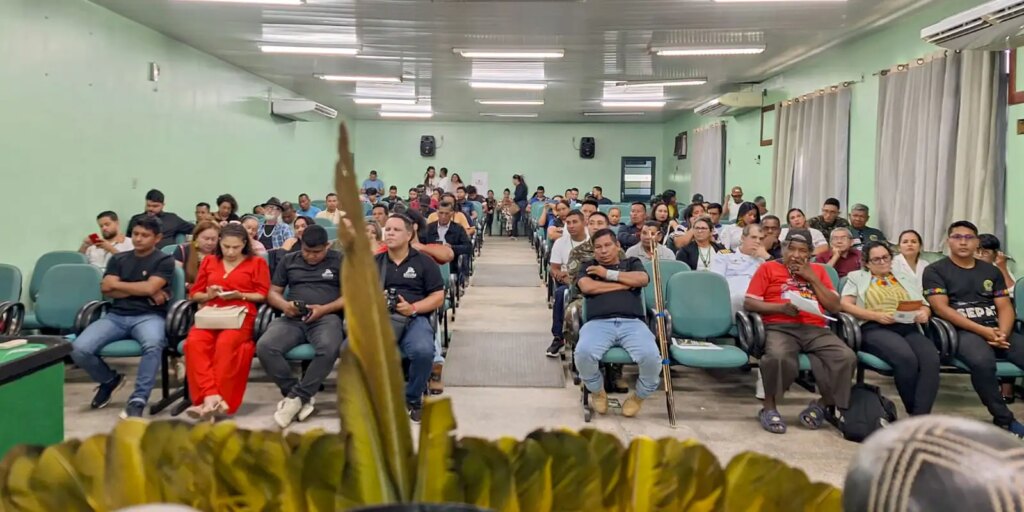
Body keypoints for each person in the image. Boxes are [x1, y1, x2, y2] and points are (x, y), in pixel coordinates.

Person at [744, 229, 856, 435]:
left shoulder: (820, 271)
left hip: (816, 328)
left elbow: (834, 306)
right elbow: (750, 302)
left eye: (802, 250)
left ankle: (822, 405)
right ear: (784, 248)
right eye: (791, 249)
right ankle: (769, 407)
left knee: (846, 357)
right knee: (777, 356)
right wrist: (780, 308)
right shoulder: (768, 268)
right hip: (780, 326)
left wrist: (812, 278)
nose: (795, 255)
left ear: (810, 253)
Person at [923, 221, 1024, 437]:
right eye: (957, 237)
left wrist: (1003, 332)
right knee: (983, 362)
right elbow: (942, 309)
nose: (963, 242)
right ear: (948, 241)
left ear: (977, 242)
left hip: (996, 330)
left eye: (969, 237)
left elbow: (1005, 306)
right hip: (961, 332)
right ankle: (1004, 418)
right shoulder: (935, 270)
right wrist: (984, 332)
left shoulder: (991, 271)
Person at [70, 216, 175, 418]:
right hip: (116, 316)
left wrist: (130, 286)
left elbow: (150, 287)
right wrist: (143, 289)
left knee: (154, 344)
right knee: (78, 348)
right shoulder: (118, 259)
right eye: (135, 234)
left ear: (157, 238)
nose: (138, 239)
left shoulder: (164, 260)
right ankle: (109, 380)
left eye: (145, 235)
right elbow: (107, 289)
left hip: (150, 316)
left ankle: (138, 399)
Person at [257, 225, 345, 428]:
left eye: (317, 252)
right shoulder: (289, 260)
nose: (311, 256)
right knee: (265, 346)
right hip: (293, 317)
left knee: (329, 348)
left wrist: (324, 309)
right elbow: (273, 292)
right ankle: (298, 396)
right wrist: (284, 306)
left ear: (328, 246)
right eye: (306, 251)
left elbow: (351, 296)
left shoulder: (340, 260)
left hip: (326, 317)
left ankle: (297, 398)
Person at [182, 224, 270, 420]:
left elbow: (262, 295)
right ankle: (212, 397)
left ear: (244, 245)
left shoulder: (257, 263)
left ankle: (208, 401)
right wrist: (208, 295)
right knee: (194, 343)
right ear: (219, 243)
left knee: (225, 344)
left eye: (235, 247)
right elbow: (195, 293)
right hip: (211, 312)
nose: (230, 252)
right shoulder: (209, 262)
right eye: (226, 246)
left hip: (241, 314)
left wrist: (241, 295)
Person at [840, 241, 938, 416]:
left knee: (930, 359)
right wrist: (875, 315)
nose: (882, 262)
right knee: (906, 358)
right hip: (874, 327)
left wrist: (924, 313)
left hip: (907, 325)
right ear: (867, 263)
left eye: (886, 257)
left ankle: (920, 416)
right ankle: (915, 413)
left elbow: (924, 305)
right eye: (876, 259)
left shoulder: (903, 277)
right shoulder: (856, 277)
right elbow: (845, 305)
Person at [573, 229, 661, 418]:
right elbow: (588, 286)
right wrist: (623, 285)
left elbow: (642, 279)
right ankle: (598, 391)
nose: (603, 251)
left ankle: (638, 397)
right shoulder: (588, 265)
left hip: (632, 323)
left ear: (617, 245)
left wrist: (607, 274)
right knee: (583, 354)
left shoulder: (631, 263)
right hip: (598, 323)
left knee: (652, 357)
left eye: (607, 245)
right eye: (598, 247)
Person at [378, 214, 446, 422]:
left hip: (414, 319)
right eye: (387, 229)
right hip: (380, 320)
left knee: (424, 351)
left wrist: (413, 307)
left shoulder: (424, 263)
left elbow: (438, 296)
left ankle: (413, 398)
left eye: (396, 230)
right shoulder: (374, 263)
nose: (389, 233)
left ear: (409, 235)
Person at [547, 210, 589, 357]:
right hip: (568, 284)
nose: (571, 226)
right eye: (568, 223)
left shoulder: (593, 241)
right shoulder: (560, 242)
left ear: (584, 223)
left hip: (591, 281)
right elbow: (554, 269)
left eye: (575, 222)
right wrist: (563, 277)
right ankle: (558, 337)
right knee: (560, 293)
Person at [711, 223, 768, 315]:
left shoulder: (763, 261)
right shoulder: (725, 256)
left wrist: (767, 256)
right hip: (730, 302)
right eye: (753, 237)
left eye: (761, 239)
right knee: (742, 296)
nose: (758, 241)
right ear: (742, 238)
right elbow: (716, 282)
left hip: (756, 302)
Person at [126, 189, 195, 249]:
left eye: (155, 206)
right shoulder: (136, 219)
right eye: (148, 205)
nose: (151, 209)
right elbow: (128, 240)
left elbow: (194, 229)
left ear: (163, 205)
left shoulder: (172, 218)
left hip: (166, 256)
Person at [425, 202, 473, 281]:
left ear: (452, 213)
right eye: (441, 213)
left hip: (451, 263)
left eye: (446, 213)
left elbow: (468, 247)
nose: (443, 216)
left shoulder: (458, 229)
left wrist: (452, 248)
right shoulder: (429, 228)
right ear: (437, 212)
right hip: (430, 262)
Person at [173, 221, 221, 289]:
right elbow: (176, 278)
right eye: (206, 239)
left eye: (213, 239)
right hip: (188, 293)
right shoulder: (182, 250)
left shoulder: (220, 253)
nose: (210, 243)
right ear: (196, 237)